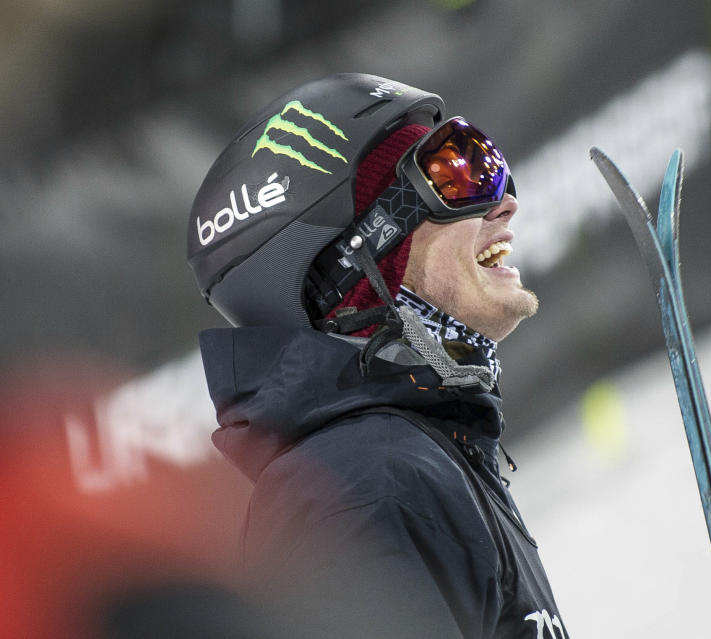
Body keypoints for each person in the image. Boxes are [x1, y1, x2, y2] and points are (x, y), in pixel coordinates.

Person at [187, 73, 567, 638]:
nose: (505, 201)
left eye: (482, 161)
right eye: (451, 176)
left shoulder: (412, 458)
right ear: (360, 259)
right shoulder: (359, 495)